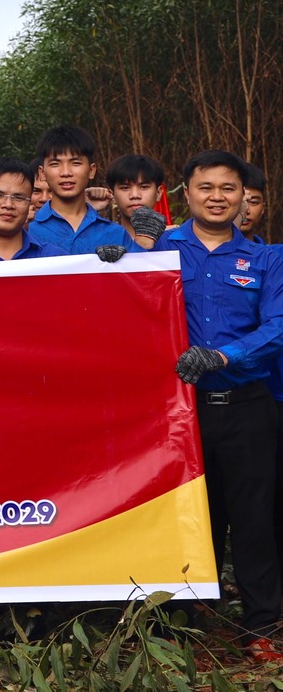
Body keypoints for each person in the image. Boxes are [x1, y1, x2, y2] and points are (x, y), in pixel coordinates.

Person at [166, 150, 283, 659]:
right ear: (186, 193)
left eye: (228, 189)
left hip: (248, 407)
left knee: (256, 520)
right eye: (206, 187)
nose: (217, 197)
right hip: (178, 413)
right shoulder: (158, 251)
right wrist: (114, 256)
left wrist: (222, 354)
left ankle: (264, 626)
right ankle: (186, 623)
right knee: (189, 518)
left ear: (244, 198)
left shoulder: (267, 259)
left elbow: (278, 326)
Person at [27, 125, 136, 256]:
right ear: (42, 173)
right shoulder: (26, 230)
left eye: (76, 163)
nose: (66, 172)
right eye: (55, 164)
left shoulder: (115, 234)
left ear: (91, 170)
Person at [108, 153, 171, 247]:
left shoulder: (175, 242)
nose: (135, 195)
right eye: (125, 188)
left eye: (144, 187)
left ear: (158, 193)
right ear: (112, 195)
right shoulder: (101, 240)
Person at [243, 167, 268, 244]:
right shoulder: (207, 253)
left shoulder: (276, 254)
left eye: (253, 202)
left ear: (263, 209)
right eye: (240, 202)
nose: (246, 210)